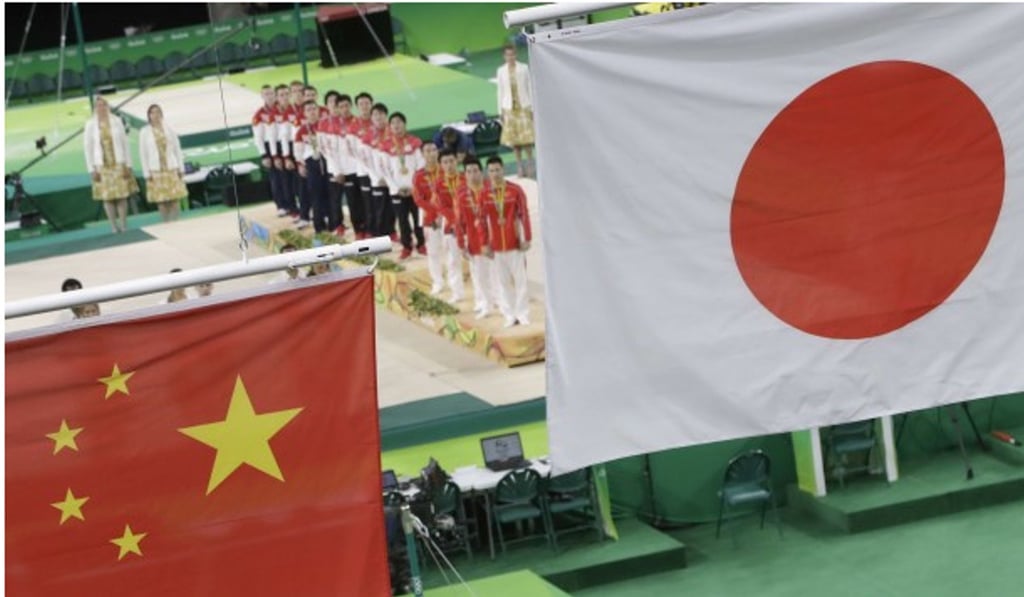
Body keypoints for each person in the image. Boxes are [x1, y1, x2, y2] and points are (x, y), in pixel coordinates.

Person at [483, 156, 532, 327]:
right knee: (503, 283)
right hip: (496, 246)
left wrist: (527, 238)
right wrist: (484, 244)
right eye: (491, 171)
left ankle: (523, 313)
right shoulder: (484, 194)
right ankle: (509, 314)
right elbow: (482, 220)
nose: (495, 174)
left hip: (515, 243)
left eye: (497, 170)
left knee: (521, 281)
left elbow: (524, 214)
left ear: (503, 169)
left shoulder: (515, 190)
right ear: (487, 173)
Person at [84, 96, 133, 233]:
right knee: (108, 197)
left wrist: (128, 164)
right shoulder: (90, 124)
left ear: (108, 106)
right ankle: (113, 225)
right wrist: (91, 168)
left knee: (121, 195)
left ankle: (123, 224)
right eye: (98, 106)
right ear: (95, 108)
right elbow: (88, 148)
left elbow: (125, 143)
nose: (101, 108)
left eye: (103, 105)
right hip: (101, 166)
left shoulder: (117, 121)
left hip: (118, 163)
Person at [381, 112, 425, 260]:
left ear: (405, 124)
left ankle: (422, 244)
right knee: (402, 220)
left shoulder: (414, 142)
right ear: (390, 126)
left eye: (399, 122)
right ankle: (407, 246)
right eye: (393, 123)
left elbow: (420, 166)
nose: (396, 125)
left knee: (418, 218)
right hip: (396, 190)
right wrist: (396, 187)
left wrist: (414, 186)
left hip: (415, 190)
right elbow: (384, 170)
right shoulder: (386, 146)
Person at [455, 156, 494, 318]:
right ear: (464, 175)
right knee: (480, 274)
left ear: (481, 172)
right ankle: (485, 303)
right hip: (473, 239)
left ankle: (501, 302)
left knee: (497, 273)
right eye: (469, 172)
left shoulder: (491, 190)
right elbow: (459, 221)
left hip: (494, 237)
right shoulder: (462, 195)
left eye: (475, 171)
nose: (472, 174)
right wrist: (461, 243)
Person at [139, 104, 187, 223]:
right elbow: (143, 154)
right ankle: (166, 222)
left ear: (161, 114)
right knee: (162, 199)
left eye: (158, 112)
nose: (156, 115)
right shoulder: (144, 132)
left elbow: (177, 149)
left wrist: (180, 168)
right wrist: (147, 173)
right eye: (153, 113)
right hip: (156, 170)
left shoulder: (169, 129)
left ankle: (175, 221)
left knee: (174, 198)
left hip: (170, 168)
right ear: (149, 116)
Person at [496, 43, 535, 178]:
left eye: (512, 54)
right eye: (508, 55)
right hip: (509, 108)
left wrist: (532, 107)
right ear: (504, 56)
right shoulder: (501, 71)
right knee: (514, 141)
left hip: (523, 106)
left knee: (527, 140)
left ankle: (530, 162)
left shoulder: (523, 68)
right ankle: (519, 165)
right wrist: (500, 111)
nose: (510, 57)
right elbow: (500, 91)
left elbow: (529, 86)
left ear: (515, 55)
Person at [431, 148, 465, 302]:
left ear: (456, 161)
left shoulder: (465, 178)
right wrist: (455, 220)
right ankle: (457, 293)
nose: (449, 165)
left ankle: (488, 298)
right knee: (453, 260)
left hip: (469, 222)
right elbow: (441, 206)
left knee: (478, 261)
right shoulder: (438, 184)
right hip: (450, 224)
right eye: (445, 162)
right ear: (440, 165)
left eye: (451, 161)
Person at [295, 100, 333, 234]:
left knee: (330, 193)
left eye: (314, 109)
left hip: (328, 162)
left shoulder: (326, 126)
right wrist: (300, 165)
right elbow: (298, 150)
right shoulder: (302, 130)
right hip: (311, 164)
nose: (312, 112)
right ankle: (319, 226)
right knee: (316, 195)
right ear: (304, 113)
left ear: (319, 110)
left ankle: (333, 223)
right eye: (308, 110)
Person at [252, 84, 287, 217]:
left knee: (290, 177)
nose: (270, 96)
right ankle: (281, 205)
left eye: (271, 93)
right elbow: (258, 137)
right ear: (262, 96)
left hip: (285, 144)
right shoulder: (259, 115)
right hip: (270, 147)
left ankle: (293, 204)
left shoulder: (283, 108)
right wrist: (264, 155)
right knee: (276, 178)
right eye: (266, 94)